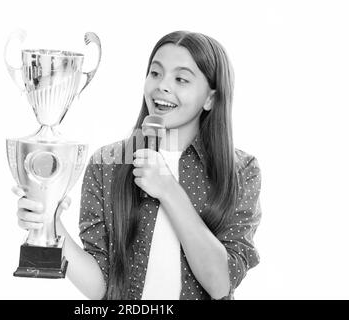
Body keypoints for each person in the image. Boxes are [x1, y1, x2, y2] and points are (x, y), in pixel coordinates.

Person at [15, 31, 262, 300]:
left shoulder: (241, 170)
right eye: (155, 73)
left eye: (181, 79)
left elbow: (220, 284)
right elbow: (102, 287)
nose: (162, 86)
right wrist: (51, 224)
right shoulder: (106, 163)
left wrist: (169, 190)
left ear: (211, 98)